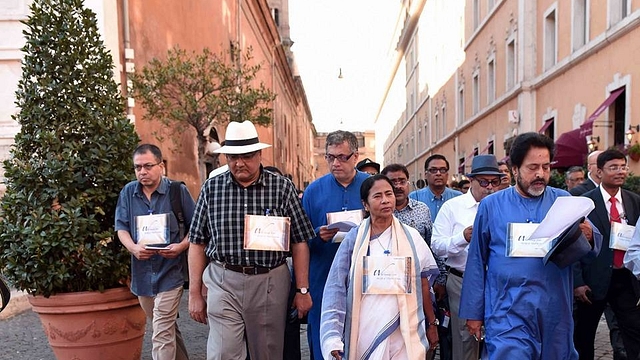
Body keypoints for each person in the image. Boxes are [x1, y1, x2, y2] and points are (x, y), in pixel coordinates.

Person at [459, 132, 602, 359]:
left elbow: (592, 244)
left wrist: (589, 235)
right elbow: (477, 261)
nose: (540, 174)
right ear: (514, 169)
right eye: (532, 167)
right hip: (507, 311)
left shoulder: (563, 200)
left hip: (554, 310)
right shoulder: (491, 206)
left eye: (546, 167)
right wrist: (473, 312)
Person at [187, 121, 316, 360]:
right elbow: (197, 242)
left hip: (269, 282)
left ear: (259, 154)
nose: (239, 163)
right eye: (232, 157)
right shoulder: (211, 189)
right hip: (223, 279)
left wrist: (302, 290)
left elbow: (299, 241)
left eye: (246, 156)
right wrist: (194, 293)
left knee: (267, 352)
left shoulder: (282, 188)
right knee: (223, 353)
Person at [320, 175, 440, 360]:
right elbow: (336, 287)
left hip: (404, 330)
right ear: (365, 204)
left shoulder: (412, 237)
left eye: (388, 194)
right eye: (377, 196)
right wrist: (333, 337)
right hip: (365, 329)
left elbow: (423, 283)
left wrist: (432, 324)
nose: (385, 200)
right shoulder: (354, 239)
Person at [115, 143, 194, 360]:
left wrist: (181, 246)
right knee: (165, 327)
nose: (142, 171)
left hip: (171, 273)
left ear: (161, 166)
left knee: (160, 330)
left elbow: (197, 228)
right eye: (138, 167)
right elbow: (121, 227)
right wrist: (133, 248)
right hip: (142, 275)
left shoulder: (178, 191)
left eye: (148, 166)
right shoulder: (128, 192)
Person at [302, 130, 370, 360]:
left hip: (364, 279)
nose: (335, 163)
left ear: (355, 157)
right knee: (323, 344)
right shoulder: (313, 191)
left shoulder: (372, 187)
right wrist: (316, 235)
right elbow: (298, 239)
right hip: (323, 278)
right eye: (330, 157)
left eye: (342, 157)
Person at [432, 155, 504, 360]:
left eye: (495, 182)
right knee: (466, 338)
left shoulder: (504, 206)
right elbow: (437, 246)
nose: (489, 187)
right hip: (461, 280)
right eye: (484, 181)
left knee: (499, 334)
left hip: (497, 282)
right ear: (471, 181)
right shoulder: (452, 208)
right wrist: (462, 238)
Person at [573, 149, 640, 360]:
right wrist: (577, 281)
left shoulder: (634, 201)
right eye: (613, 167)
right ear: (599, 172)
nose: (620, 172)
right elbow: (572, 244)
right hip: (593, 281)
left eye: (623, 167)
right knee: (584, 337)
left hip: (626, 279)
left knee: (634, 333)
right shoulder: (584, 202)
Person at [381, 163, 448, 302]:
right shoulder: (379, 211)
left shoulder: (422, 210)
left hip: (420, 281)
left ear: (408, 183)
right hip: (385, 281)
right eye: (393, 182)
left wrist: (441, 279)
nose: (398, 186)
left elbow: (433, 245)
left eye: (402, 181)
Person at [409, 154, 462, 220]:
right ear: (426, 175)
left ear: (447, 174)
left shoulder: (458, 197)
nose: (438, 173)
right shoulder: (414, 198)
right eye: (433, 170)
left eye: (442, 170)